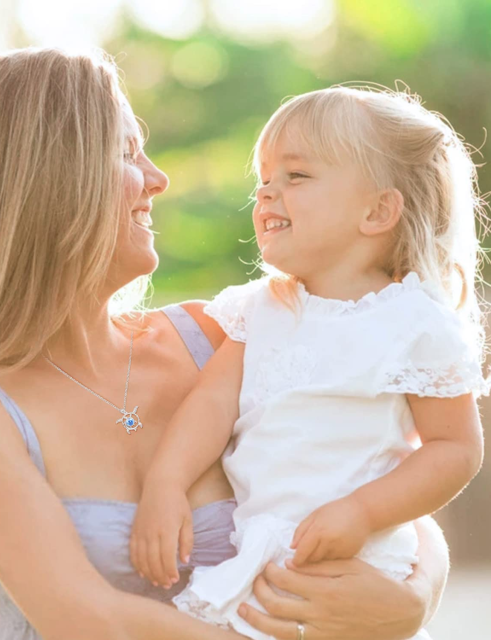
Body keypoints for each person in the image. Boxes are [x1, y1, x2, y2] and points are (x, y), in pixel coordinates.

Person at [0, 50, 449, 640]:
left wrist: (414, 596)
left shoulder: (216, 339)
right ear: (45, 180)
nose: (159, 180)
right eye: (127, 152)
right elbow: (85, 619)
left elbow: (374, 476)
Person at [130, 86, 488, 640]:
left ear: (377, 211)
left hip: (357, 566)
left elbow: (455, 448)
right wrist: (166, 482)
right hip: (256, 556)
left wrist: (364, 513)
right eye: (263, 181)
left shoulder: (416, 323)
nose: (268, 194)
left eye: (295, 177)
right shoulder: (262, 308)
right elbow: (211, 403)